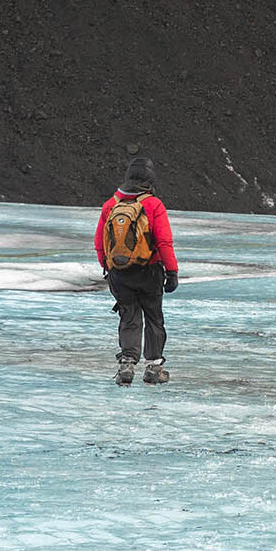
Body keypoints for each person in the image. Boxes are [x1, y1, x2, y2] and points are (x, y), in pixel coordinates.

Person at [94, 156, 179, 385]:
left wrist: (107, 266)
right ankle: (153, 368)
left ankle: (127, 365)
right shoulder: (153, 204)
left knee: (129, 316)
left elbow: (99, 242)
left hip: (119, 273)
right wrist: (172, 272)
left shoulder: (111, 204)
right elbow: (164, 242)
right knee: (153, 317)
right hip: (149, 271)